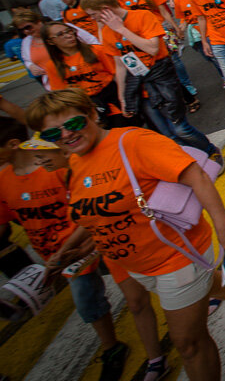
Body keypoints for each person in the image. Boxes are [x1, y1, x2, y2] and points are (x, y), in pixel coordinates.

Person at [26, 89, 225, 381]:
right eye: (53, 133)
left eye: (73, 124)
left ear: (91, 114)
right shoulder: (75, 162)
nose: (66, 135)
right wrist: (67, 252)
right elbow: (95, 214)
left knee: (187, 343)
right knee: (208, 288)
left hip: (176, 256)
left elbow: (196, 175)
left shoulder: (133, 142)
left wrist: (223, 225)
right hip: (136, 266)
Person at [0, 119, 131, 380]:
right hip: (58, 257)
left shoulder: (55, 168)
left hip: (90, 244)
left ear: (14, 145)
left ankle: (113, 348)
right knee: (93, 299)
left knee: (101, 295)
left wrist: (86, 242)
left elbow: (87, 201)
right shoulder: (3, 180)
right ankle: (113, 345)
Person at [79, 0, 217, 156]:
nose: (92, 19)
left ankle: (210, 151)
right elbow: (120, 65)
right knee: (168, 135)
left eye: (93, 14)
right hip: (140, 87)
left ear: (105, 9)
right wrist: (123, 96)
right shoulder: (107, 32)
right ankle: (195, 159)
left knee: (179, 128)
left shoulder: (142, 16)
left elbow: (152, 48)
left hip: (162, 79)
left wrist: (122, 30)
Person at [38, 22, 124, 128]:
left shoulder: (96, 50)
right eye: (60, 34)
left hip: (111, 98)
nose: (68, 35)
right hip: (85, 106)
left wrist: (123, 98)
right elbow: (60, 94)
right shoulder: (52, 65)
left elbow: (116, 74)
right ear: (50, 41)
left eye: (69, 31)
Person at [13, 9, 97, 87]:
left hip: (87, 76)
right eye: (21, 30)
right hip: (56, 84)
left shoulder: (63, 28)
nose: (26, 31)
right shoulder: (26, 42)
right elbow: (26, 59)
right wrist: (31, 66)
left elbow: (92, 41)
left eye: (28, 27)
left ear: (38, 21)